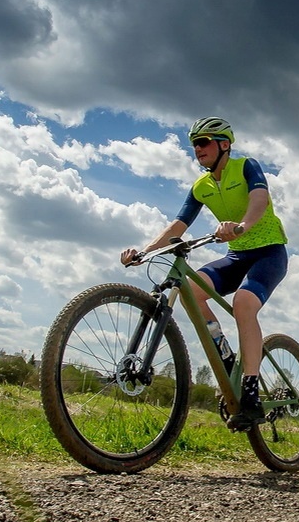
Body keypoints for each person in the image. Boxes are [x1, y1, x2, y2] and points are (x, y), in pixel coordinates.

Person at [121, 117, 289, 432]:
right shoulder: (202, 186)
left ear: (224, 144)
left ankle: (251, 390)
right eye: (194, 144)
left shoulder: (245, 167)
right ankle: (226, 356)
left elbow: (259, 199)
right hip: (237, 255)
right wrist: (145, 252)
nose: (197, 149)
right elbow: (179, 224)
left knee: (243, 303)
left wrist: (242, 226)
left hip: (269, 253)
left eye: (203, 142)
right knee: (192, 292)